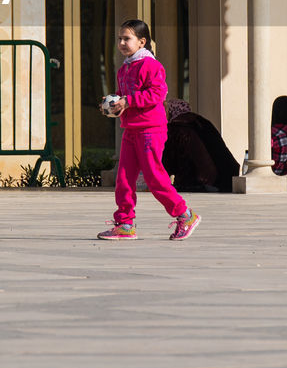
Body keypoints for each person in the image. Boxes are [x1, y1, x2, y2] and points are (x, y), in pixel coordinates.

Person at [97, 19, 201, 241]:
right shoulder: (125, 68)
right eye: (119, 39)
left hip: (150, 130)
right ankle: (125, 224)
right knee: (123, 179)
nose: (122, 43)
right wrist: (113, 103)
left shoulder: (151, 65)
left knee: (155, 178)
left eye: (127, 38)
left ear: (142, 42)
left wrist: (128, 101)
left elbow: (157, 94)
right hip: (131, 130)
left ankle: (185, 215)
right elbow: (123, 95)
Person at [164, 98, 240, 192]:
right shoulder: (201, 122)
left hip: (199, 182)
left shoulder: (176, 128)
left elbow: (167, 162)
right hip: (226, 180)